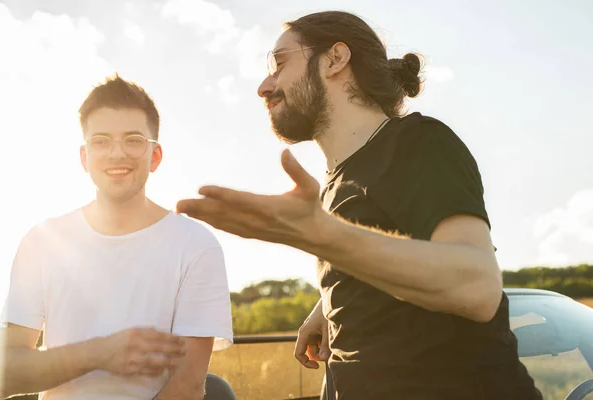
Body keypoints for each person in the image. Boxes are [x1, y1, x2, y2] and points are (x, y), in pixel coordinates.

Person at [175, 10, 543, 400]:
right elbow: (400, 252)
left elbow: (478, 287)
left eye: (279, 63)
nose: (265, 86)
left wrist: (323, 237)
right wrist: (330, 302)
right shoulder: (335, 185)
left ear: (335, 59)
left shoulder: (418, 143)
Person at [0, 75, 235, 400]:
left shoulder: (196, 246)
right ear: (85, 157)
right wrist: (101, 352)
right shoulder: (41, 242)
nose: (116, 153)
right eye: (101, 140)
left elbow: (188, 386)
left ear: (155, 156)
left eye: (133, 139)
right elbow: (3, 377)